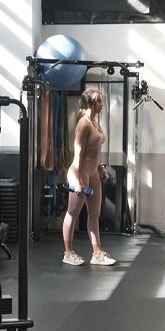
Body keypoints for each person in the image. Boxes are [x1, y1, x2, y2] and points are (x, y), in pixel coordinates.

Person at [62, 88, 116, 266]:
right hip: (80, 172)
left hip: (92, 172)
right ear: (91, 103)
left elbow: (95, 152)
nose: (102, 104)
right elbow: (78, 154)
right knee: (73, 213)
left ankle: (97, 253)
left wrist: (100, 169)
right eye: (99, 101)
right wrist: (77, 180)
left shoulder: (95, 123)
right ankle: (68, 253)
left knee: (94, 214)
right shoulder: (83, 124)